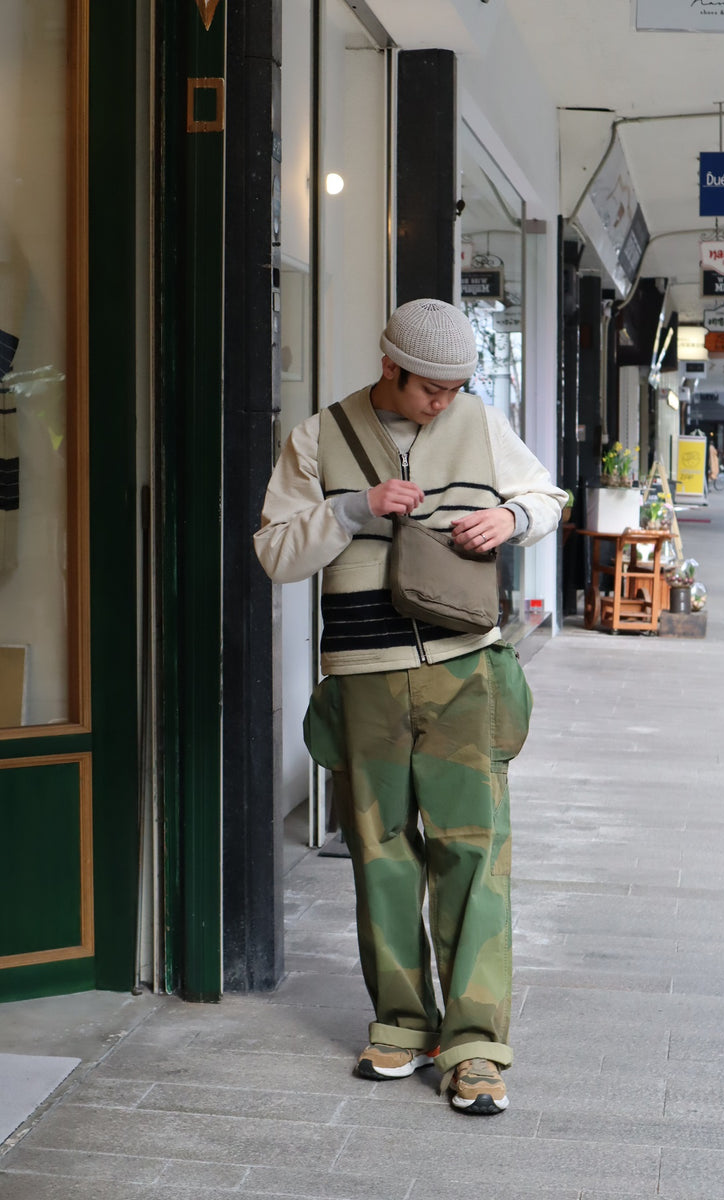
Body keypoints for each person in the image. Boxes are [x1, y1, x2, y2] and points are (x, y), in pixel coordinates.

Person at [254, 298, 567, 1114]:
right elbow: (274, 553)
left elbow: (547, 497)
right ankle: (400, 1025)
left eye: (458, 386)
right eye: (433, 388)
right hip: (364, 676)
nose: (446, 402)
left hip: (466, 669)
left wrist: (508, 517)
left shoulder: (478, 421)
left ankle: (475, 1048)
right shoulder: (318, 438)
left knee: (474, 856)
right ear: (390, 367)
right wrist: (353, 510)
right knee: (380, 856)